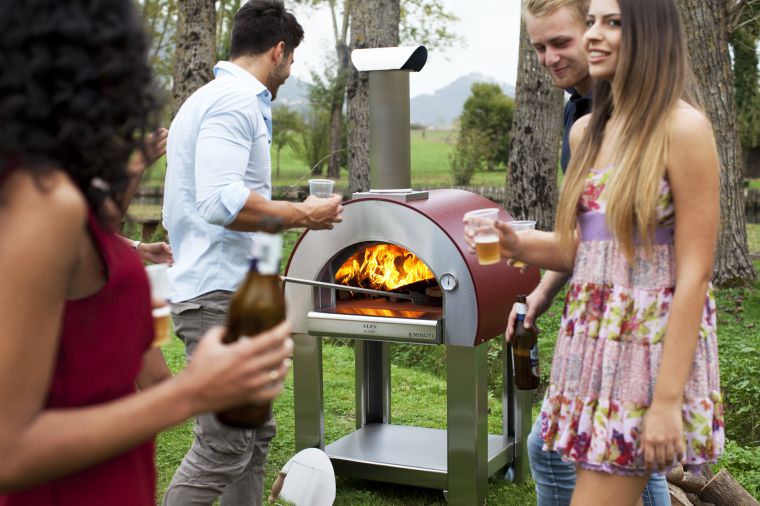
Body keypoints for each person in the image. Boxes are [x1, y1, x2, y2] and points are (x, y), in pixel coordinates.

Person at [0, 1, 292, 505]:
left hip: (120, 485)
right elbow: (10, 449)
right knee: (225, 446)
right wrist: (193, 392)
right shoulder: (40, 202)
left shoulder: (60, 194)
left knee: (248, 441)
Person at [474, 0, 724, 503]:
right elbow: (584, 248)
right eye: (591, 21)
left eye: (613, 22)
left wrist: (667, 401)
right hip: (589, 342)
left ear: (651, 33)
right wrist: (517, 242)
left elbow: (695, 273)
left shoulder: (682, 127)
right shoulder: (585, 131)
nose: (594, 34)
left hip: (646, 350)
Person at [161, 1, 343, 504]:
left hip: (232, 292)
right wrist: (305, 213)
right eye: (291, 60)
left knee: (254, 437)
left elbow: (189, 204)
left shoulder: (204, 101)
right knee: (223, 446)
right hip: (218, 299)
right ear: (279, 51)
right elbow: (220, 202)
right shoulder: (235, 102)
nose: (290, 71)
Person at [511, 1, 670, 504]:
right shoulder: (579, 114)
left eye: (560, 42)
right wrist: (541, 295)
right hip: (594, 317)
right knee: (564, 450)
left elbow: (632, 244)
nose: (549, 57)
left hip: (634, 323)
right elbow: (589, 229)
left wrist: (517, 242)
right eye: (539, 47)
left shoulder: (643, 116)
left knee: (576, 451)